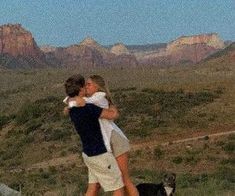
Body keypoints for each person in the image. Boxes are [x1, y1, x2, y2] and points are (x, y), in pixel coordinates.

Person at [65, 75, 139, 196]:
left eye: (89, 84)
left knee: (124, 180)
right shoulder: (86, 104)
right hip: (101, 148)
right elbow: (76, 101)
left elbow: (112, 114)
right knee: (102, 185)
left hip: (115, 141)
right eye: (85, 85)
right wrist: (72, 102)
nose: (86, 87)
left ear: (97, 87)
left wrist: (71, 102)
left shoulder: (97, 99)